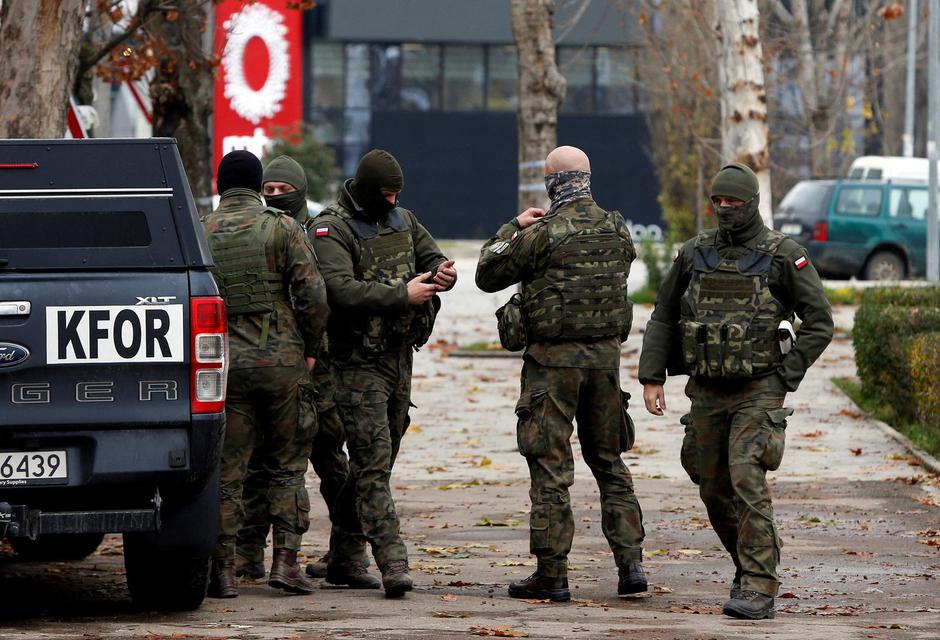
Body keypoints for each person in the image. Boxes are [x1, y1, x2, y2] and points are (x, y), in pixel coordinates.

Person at [638, 162, 833, 620]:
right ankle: (750, 564)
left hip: (758, 389)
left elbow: (819, 322)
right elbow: (664, 315)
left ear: (752, 204)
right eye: (718, 202)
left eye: (734, 203)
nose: (725, 209)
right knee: (712, 487)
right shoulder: (693, 252)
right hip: (705, 389)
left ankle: (759, 586)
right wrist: (652, 377)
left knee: (746, 478)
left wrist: (786, 377)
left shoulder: (784, 255)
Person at [475, 146, 647, 603]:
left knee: (551, 468)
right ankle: (631, 567)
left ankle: (552, 574)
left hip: (552, 368)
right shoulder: (616, 227)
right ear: (588, 178)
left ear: (551, 184)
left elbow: (487, 274)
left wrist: (514, 227)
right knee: (609, 463)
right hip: (605, 365)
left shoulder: (544, 233)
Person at [311, 149, 457, 597]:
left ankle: (343, 557)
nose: (393, 202)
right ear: (369, 190)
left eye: (398, 195)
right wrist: (402, 295)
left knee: (376, 461)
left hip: (398, 359)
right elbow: (339, 290)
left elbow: (432, 257)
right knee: (373, 463)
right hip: (355, 363)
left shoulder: (405, 220)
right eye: (387, 195)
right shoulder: (330, 228)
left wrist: (441, 274)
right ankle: (393, 562)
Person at [235, 155, 381, 590]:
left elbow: (332, 297)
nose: (277, 196)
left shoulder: (323, 234)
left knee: (334, 467)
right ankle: (247, 555)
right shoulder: (263, 231)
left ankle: (348, 554)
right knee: (264, 466)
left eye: (284, 189)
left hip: (323, 370)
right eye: (270, 189)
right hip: (278, 369)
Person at [202, 150, 329, 598]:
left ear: (220, 185)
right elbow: (313, 295)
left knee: (228, 469)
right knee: (288, 466)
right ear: (258, 186)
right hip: (282, 364)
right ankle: (285, 563)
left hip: (224, 367)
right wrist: (311, 349)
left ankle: (225, 570)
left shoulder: (201, 231)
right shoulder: (282, 226)